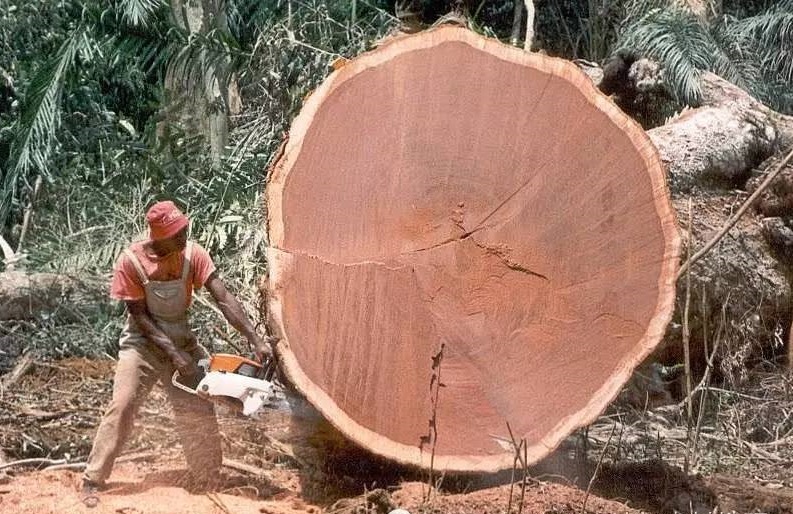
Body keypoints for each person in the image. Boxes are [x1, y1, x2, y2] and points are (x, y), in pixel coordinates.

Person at [81, 200, 274, 504]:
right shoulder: (130, 261)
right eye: (176, 233)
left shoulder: (192, 255)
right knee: (124, 403)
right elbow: (140, 317)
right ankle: (93, 478)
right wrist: (173, 355)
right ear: (158, 235)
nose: (184, 236)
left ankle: (206, 476)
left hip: (182, 341)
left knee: (198, 404)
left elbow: (222, 296)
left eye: (184, 230)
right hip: (142, 345)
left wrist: (254, 338)